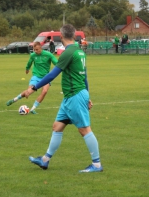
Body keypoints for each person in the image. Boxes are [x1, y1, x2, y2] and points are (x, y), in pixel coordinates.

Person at [24, 24, 103, 173]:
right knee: (57, 126)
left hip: (75, 95)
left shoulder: (68, 53)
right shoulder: (80, 52)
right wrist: (88, 96)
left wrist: (33, 88)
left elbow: (52, 74)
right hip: (71, 96)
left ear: (61, 36)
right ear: (74, 35)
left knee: (85, 130)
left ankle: (97, 164)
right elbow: (84, 76)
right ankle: (45, 160)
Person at [6, 42, 58, 114]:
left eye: (37, 49)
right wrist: (27, 69)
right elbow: (29, 62)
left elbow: (56, 62)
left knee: (44, 91)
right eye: (34, 50)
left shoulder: (48, 55)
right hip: (36, 76)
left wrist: (59, 67)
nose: (35, 51)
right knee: (29, 92)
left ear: (41, 48)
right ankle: (14, 99)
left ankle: (33, 109)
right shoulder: (33, 55)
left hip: (46, 77)